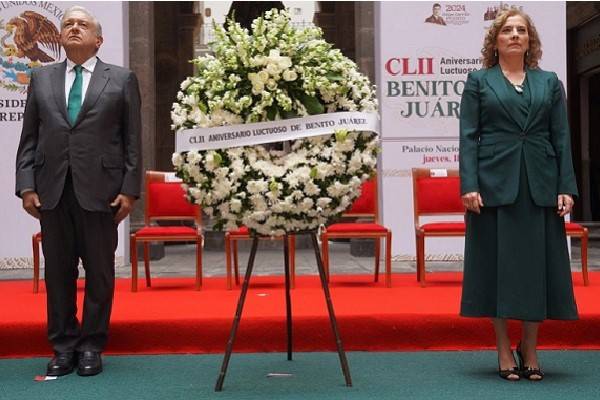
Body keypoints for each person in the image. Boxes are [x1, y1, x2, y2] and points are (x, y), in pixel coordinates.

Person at [15, 6, 141, 377]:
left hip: (102, 193)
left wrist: (130, 190)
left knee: (100, 273)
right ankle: (64, 345)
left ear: (98, 40)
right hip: (52, 191)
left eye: (81, 24)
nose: (72, 27)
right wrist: (25, 185)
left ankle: (91, 345)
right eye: (68, 23)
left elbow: (132, 140)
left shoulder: (121, 79)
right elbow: (29, 139)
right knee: (58, 273)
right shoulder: (41, 79)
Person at [459, 8, 578, 381]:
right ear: (496, 41)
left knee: (535, 269)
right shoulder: (479, 81)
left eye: (521, 30)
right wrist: (469, 184)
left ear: (530, 41)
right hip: (493, 186)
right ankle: (501, 347)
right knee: (495, 267)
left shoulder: (549, 82)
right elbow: (468, 137)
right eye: (507, 30)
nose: (514, 35)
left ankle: (529, 345)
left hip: (539, 185)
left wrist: (566, 187)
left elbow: (561, 137)